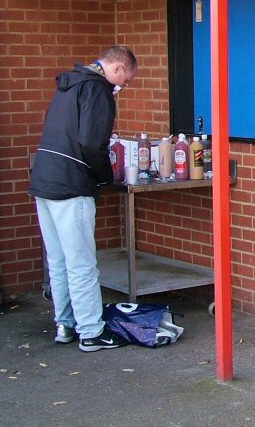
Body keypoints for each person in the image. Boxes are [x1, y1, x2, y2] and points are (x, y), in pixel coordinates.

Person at [29, 46, 138, 352]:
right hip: (71, 184)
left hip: (44, 180)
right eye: (125, 81)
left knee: (59, 261)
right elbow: (93, 143)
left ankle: (65, 324)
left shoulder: (68, 85)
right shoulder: (97, 90)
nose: (122, 87)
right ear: (117, 68)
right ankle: (91, 331)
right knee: (81, 263)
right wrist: (105, 176)